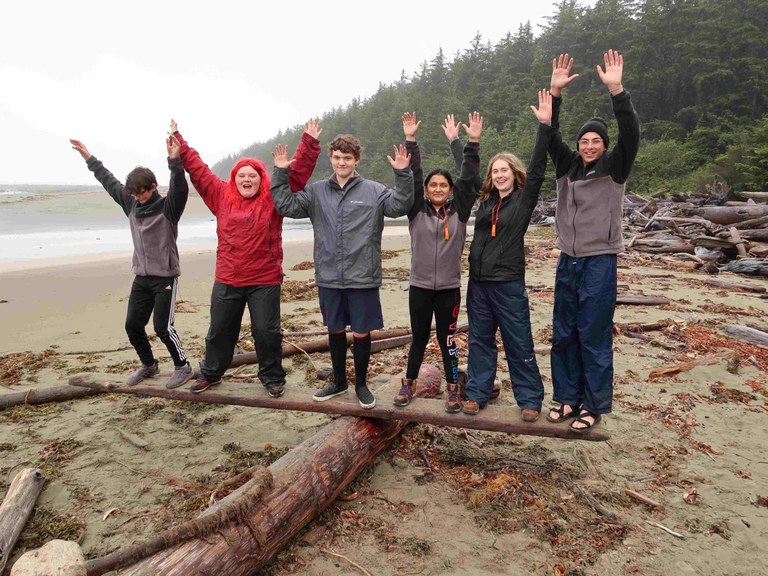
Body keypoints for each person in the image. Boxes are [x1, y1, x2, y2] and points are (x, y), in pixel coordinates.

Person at [170, 119, 322, 397]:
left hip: (264, 279)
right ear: (234, 178)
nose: (247, 180)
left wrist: (309, 144)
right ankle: (212, 373)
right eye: (242, 175)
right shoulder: (220, 195)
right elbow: (199, 171)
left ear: (262, 178)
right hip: (228, 278)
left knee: (266, 332)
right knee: (219, 331)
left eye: (253, 175)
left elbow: (297, 176)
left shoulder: (272, 198)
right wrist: (181, 143)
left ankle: (272, 377)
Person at [270, 134, 414, 409]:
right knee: (334, 329)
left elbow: (400, 206)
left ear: (356, 160)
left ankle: (361, 384)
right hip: (329, 275)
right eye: (337, 157)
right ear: (331, 158)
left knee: (361, 332)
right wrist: (280, 172)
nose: (341, 163)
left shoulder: (373, 191)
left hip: (363, 276)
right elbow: (286, 205)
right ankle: (338, 382)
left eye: (347, 158)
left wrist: (402, 173)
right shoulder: (316, 192)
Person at [545, 50, 640, 433]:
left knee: (594, 333)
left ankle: (593, 405)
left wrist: (617, 91)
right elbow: (550, 134)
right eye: (583, 140)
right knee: (564, 332)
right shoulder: (567, 166)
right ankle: (567, 398)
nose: (587, 146)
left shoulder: (615, 167)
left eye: (595, 141)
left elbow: (631, 133)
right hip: (568, 259)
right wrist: (555, 94)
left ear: (603, 145)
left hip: (600, 260)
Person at [458, 92, 554, 421]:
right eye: (495, 171)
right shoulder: (485, 202)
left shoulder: (523, 201)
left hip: (509, 284)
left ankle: (529, 400)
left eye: (505, 170)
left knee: (519, 342)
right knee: (480, 342)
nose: (499, 174)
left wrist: (545, 125)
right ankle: (477, 394)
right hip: (479, 285)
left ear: (514, 173)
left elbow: (540, 166)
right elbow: (467, 175)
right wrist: (465, 142)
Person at [69, 134, 193, 389]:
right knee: (132, 325)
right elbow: (109, 181)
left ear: (153, 187)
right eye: (133, 194)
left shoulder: (168, 208)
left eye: (141, 193)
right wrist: (88, 157)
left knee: (163, 327)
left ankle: (183, 366)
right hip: (142, 277)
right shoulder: (132, 204)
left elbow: (180, 188)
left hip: (165, 277)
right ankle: (149, 364)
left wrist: (174, 160)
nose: (136, 198)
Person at [393, 112, 475, 413]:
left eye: (443, 185)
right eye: (433, 186)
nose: (438, 189)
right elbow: (414, 175)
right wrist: (411, 140)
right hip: (420, 287)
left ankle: (453, 390)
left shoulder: (460, 211)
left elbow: (469, 176)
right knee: (419, 338)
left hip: (449, 289)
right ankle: (410, 383)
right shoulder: (417, 210)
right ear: (426, 190)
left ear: (450, 190)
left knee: (448, 340)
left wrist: (463, 142)